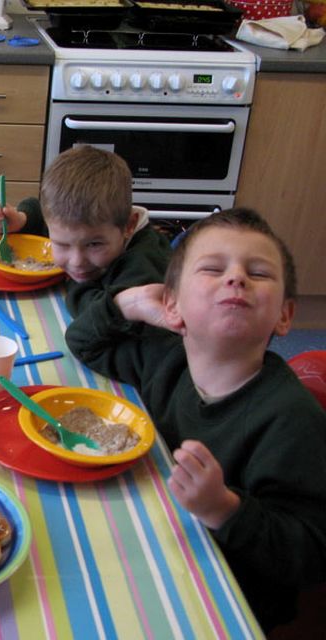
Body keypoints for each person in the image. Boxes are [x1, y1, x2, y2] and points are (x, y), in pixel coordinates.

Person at [66, 208, 326, 631]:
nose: (236, 278)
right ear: (172, 305)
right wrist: (126, 303)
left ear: (284, 315)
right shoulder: (165, 355)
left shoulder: (291, 420)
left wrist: (224, 509)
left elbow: (313, 555)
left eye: (258, 273)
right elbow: (84, 344)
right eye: (213, 268)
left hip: (225, 603)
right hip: (154, 547)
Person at [0, 145, 172, 318]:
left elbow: (95, 316)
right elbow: (41, 212)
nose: (77, 262)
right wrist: (22, 220)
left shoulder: (142, 271)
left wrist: (77, 287)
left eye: (94, 244)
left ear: (129, 227)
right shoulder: (100, 228)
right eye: (62, 244)